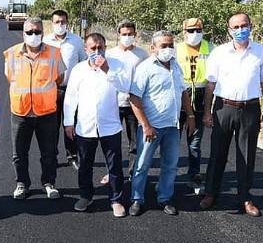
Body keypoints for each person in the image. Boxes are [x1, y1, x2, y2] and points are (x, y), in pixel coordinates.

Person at [200, 13, 263, 217]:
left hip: (250, 109)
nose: (241, 30)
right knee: (217, 154)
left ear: (251, 26)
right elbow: (211, 84)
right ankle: (210, 194)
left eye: (244, 25)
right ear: (229, 30)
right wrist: (207, 111)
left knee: (247, 155)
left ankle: (245, 197)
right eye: (236, 27)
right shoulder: (219, 53)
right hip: (223, 108)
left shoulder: (261, 52)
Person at [128, 30, 196, 216]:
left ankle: (164, 197)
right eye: (163, 46)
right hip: (151, 127)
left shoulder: (176, 67)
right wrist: (146, 125)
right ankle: (136, 199)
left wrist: (190, 116)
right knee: (142, 164)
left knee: (170, 164)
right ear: (153, 48)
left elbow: (183, 93)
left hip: (172, 126)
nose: (168, 49)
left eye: (171, 45)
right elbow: (134, 98)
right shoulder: (146, 68)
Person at [63, 33, 130, 217]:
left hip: (110, 125)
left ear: (106, 48)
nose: (97, 51)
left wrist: (107, 69)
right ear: (86, 50)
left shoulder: (116, 65)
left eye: (100, 47)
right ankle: (86, 196)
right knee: (85, 164)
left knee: (114, 166)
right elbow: (70, 97)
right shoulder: (78, 70)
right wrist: (68, 122)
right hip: (85, 126)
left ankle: (116, 200)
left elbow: (125, 87)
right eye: (93, 48)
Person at [3, 17, 65, 200]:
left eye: (37, 32)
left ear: (43, 33)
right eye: (29, 32)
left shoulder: (55, 53)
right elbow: (10, 77)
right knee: (19, 153)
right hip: (21, 112)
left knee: (49, 152)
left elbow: (59, 78)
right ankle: (22, 184)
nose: (33, 35)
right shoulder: (11, 54)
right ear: (23, 34)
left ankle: (49, 182)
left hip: (46, 112)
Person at [104, 20, 149, 185]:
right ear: (118, 35)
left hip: (134, 104)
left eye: (130, 34)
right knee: (111, 142)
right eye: (124, 34)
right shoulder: (109, 54)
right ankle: (112, 173)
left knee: (135, 142)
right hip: (113, 103)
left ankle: (133, 173)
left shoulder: (143, 54)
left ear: (135, 34)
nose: (127, 37)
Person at [43, 9, 86, 170]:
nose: (60, 25)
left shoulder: (76, 41)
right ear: (52, 23)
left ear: (67, 22)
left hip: (72, 90)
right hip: (51, 90)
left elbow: (84, 63)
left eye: (63, 22)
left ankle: (72, 155)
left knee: (71, 124)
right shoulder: (45, 42)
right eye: (57, 22)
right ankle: (52, 156)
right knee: (51, 127)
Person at [175, 18, 214, 195]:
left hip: (201, 97)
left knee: (195, 143)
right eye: (190, 31)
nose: (194, 34)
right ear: (184, 32)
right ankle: (169, 176)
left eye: (198, 30)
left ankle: (194, 176)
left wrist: (208, 109)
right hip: (179, 97)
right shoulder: (176, 49)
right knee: (172, 142)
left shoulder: (211, 48)